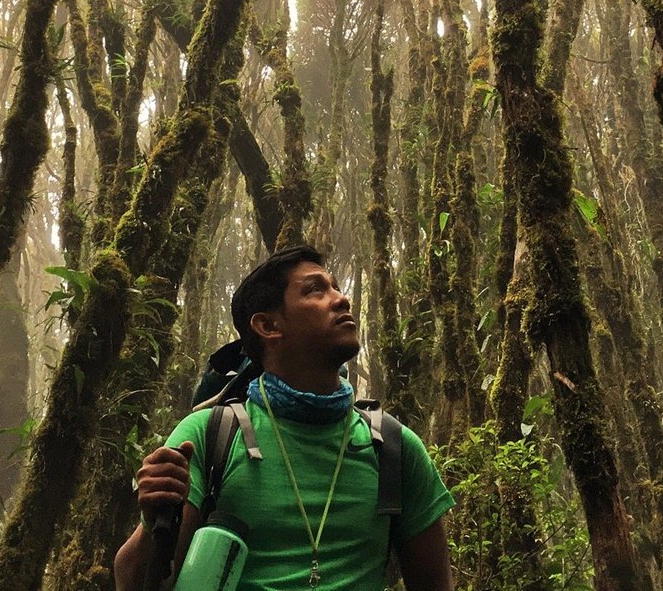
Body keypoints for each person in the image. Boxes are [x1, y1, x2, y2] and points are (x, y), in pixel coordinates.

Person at [115, 244, 454, 591]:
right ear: (268, 325)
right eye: (315, 289)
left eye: (336, 286)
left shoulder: (394, 447)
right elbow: (133, 580)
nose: (341, 299)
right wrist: (155, 517)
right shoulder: (209, 435)